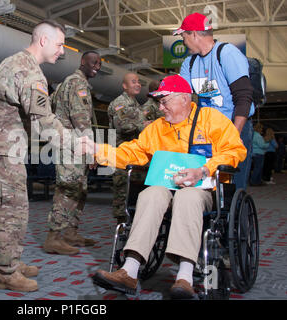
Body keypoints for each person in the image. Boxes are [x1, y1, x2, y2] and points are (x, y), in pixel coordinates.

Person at [81, 75, 246, 299]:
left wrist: (204, 169)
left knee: (187, 197)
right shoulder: (157, 128)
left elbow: (235, 150)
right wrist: (98, 150)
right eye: (159, 101)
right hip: (166, 186)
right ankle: (129, 270)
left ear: (184, 99)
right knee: (151, 194)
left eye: (164, 101)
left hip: (204, 189)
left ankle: (185, 277)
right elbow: (131, 152)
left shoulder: (211, 120)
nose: (160, 107)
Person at [0, 20, 78, 292]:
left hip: (6, 149)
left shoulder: (18, 63)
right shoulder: (29, 72)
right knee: (8, 211)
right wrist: (80, 144)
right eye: (59, 44)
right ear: (43, 41)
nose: (62, 52)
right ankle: (5, 273)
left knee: (16, 208)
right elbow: (44, 123)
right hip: (0, 151)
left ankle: (11, 261)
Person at [177, 12, 254, 190]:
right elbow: (181, 98)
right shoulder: (189, 63)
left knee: (232, 186)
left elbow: (244, 96)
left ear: (194, 34)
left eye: (183, 36)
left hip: (234, 126)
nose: (183, 41)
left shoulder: (227, 54)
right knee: (206, 183)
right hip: (207, 132)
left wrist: (234, 135)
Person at [44, 51, 102, 255]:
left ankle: (70, 232)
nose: (98, 66)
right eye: (94, 62)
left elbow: (50, 106)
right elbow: (81, 120)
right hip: (73, 147)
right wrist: (91, 151)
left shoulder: (64, 84)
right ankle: (54, 238)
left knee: (79, 189)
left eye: (100, 63)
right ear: (82, 62)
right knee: (68, 190)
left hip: (69, 145)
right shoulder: (78, 83)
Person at [107, 72, 146, 225]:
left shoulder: (136, 104)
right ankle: (121, 226)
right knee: (122, 192)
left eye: (139, 82)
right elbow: (123, 127)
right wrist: (143, 125)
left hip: (136, 155)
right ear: (124, 86)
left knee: (135, 191)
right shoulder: (120, 103)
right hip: (122, 155)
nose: (137, 84)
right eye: (133, 82)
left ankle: (133, 224)